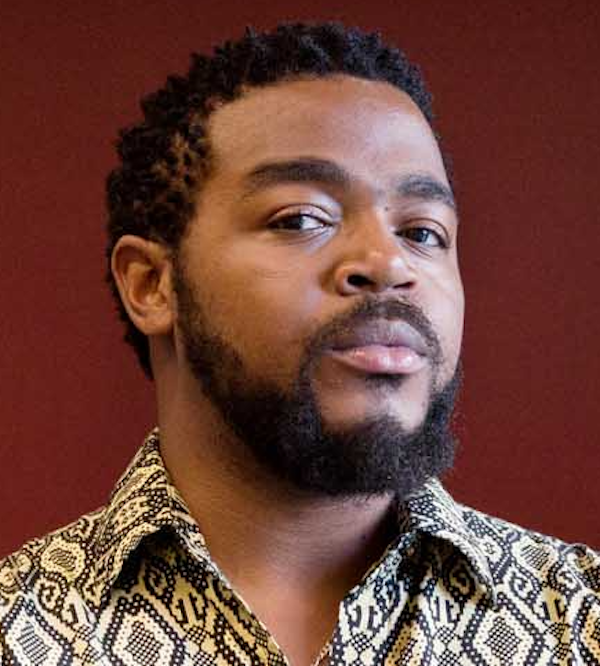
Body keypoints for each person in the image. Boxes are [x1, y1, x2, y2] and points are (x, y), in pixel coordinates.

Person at [0, 22, 598, 666]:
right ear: (151, 285)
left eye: (423, 231)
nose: (386, 262)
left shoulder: (581, 617)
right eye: (302, 219)